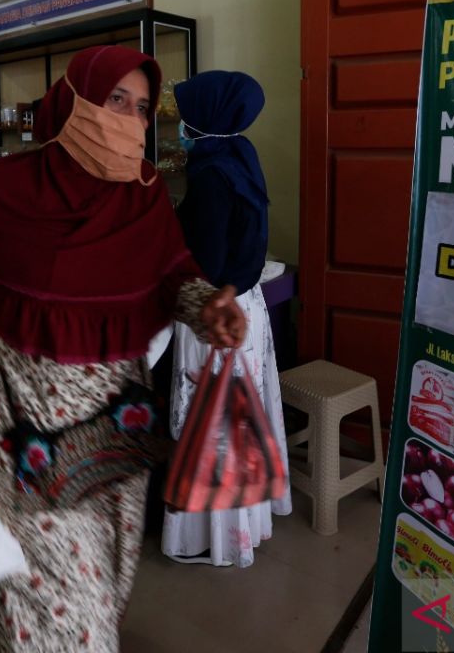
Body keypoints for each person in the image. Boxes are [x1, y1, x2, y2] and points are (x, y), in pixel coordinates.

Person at [0, 45, 247, 652]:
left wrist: (209, 309)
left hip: (117, 417)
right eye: (114, 99)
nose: (128, 117)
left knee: (109, 579)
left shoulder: (144, 196)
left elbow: (173, 277)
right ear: (73, 100)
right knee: (63, 608)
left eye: (143, 106)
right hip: (26, 418)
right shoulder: (4, 189)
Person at [161, 70, 292, 567]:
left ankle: (207, 538)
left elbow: (207, 262)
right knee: (239, 418)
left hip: (214, 313)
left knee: (212, 421)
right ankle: (246, 524)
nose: (179, 126)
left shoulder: (210, 175)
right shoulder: (240, 154)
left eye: (184, 115)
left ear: (205, 120)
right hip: (247, 305)